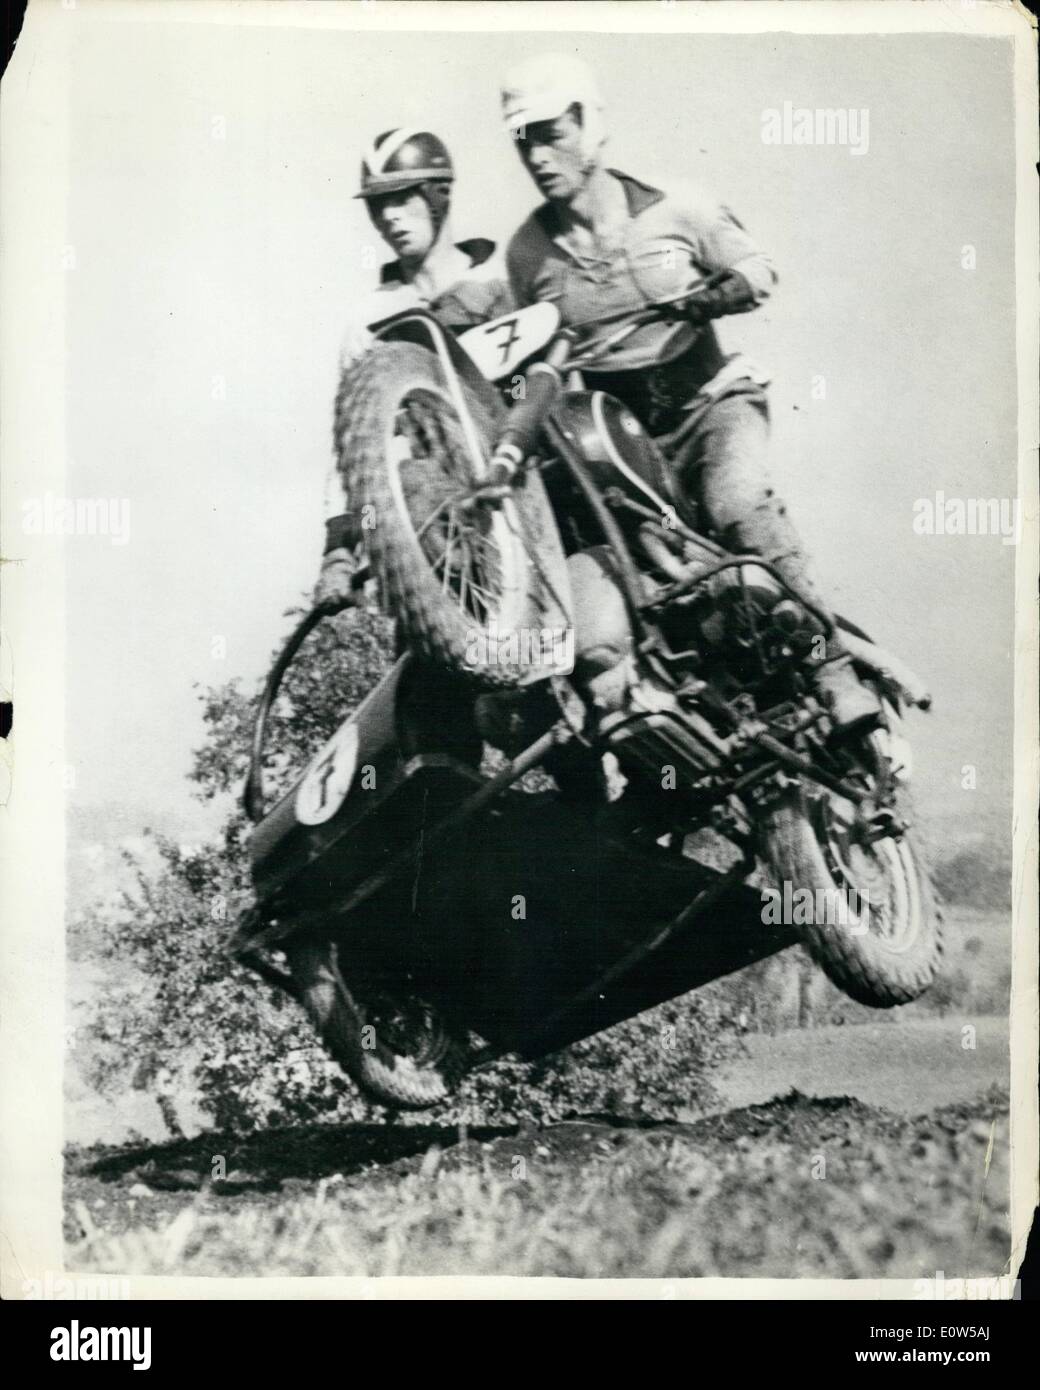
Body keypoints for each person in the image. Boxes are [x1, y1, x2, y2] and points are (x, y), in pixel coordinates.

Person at [499, 53, 880, 738]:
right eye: (522, 139)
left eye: (550, 131)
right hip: (624, 443)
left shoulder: (676, 209)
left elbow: (758, 270)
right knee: (602, 574)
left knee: (739, 506)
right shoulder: (528, 254)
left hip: (711, 406)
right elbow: (537, 350)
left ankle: (834, 672)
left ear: (587, 123)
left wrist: (715, 296)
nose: (538, 155)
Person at [316, 128, 514, 607]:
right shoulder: (372, 318)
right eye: (377, 205)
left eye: (402, 198)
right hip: (441, 513)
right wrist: (339, 552)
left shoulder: (500, 281)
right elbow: (355, 444)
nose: (388, 217)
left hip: (529, 474)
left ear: (437, 194)